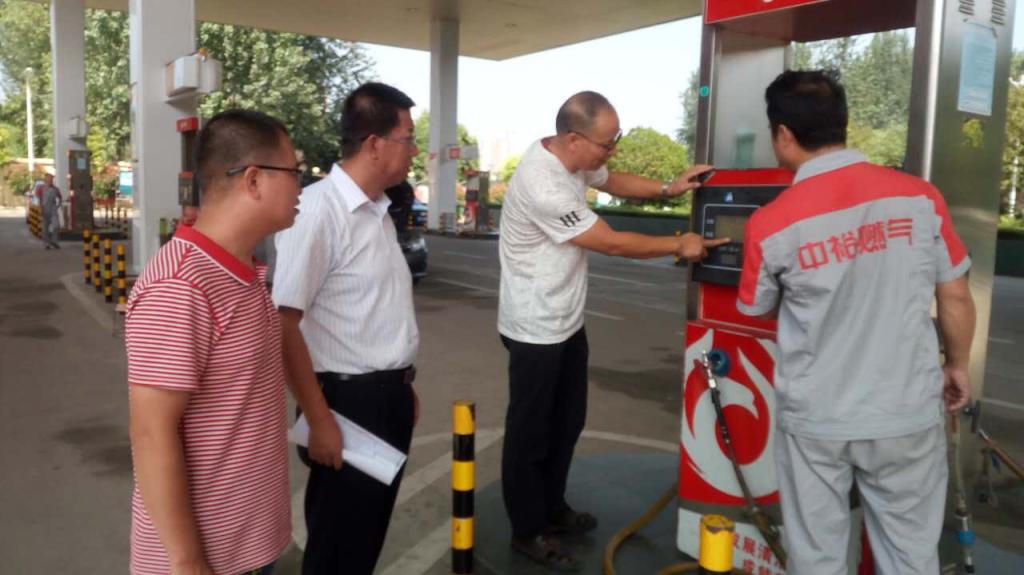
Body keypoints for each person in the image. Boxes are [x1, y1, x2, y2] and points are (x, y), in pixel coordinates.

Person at [736, 70, 976, 574]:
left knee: (817, 555)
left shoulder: (770, 222)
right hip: (906, 410)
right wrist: (956, 365)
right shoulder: (919, 197)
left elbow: (757, 307)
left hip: (817, 417)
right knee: (911, 555)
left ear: (784, 134)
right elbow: (954, 293)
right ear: (841, 124)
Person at [498, 90, 726, 570]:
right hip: (534, 327)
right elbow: (611, 242)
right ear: (574, 139)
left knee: (567, 423)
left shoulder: (575, 161)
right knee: (531, 433)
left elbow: (613, 179)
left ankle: (552, 508)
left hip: (566, 320)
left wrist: (669, 188)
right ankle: (527, 529)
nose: (612, 151)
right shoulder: (542, 182)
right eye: (606, 143)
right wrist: (678, 244)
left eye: (614, 139)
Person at [125, 109, 302, 575]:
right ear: (254, 180)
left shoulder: (241, 271)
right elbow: (151, 432)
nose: (302, 187)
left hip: (250, 544)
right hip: (208, 559)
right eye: (295, 172)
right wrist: (188, 561)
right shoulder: (180, 286)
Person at [273, 82, 420, 575]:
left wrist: (401, 384)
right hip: (345, 406)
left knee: (364, 539)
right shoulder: (318, 211)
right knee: (338, 547)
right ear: (375, 144)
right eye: (408, 138)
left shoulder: (378, 211)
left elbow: (374, 311)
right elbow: (283, 324)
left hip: (385, 398)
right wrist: (319, 420)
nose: (414, 150)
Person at [37, 170, 62, 249]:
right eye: (49, 179)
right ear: (45, 180)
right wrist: (40, 209)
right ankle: (46, 243)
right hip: (44, 209)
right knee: (45, 229)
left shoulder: (56, 189)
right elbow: (39, 199)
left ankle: (54, 241)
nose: (50, 180)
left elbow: (60, 197)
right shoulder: (40, 189)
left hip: (53, 209)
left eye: (51, 179)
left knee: (56, 226)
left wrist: (58, 206)